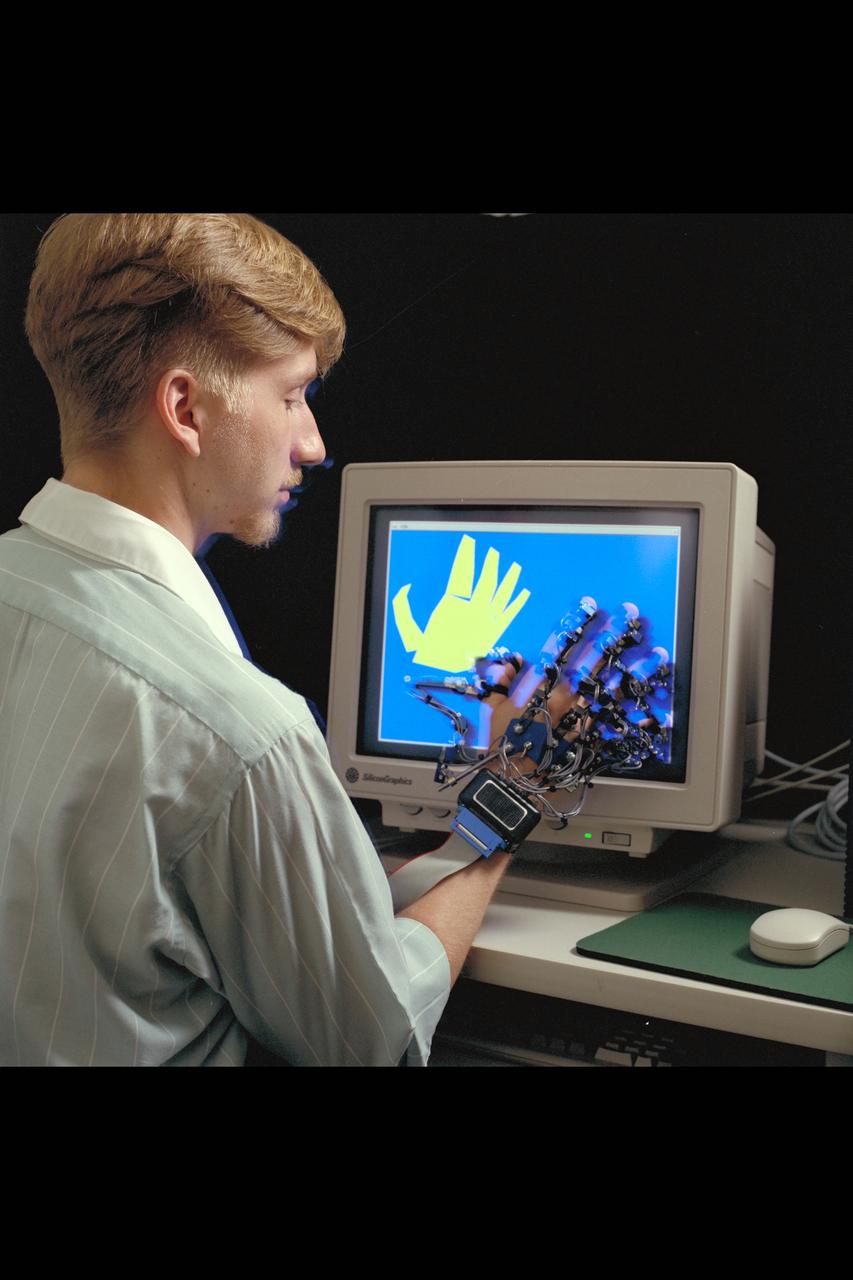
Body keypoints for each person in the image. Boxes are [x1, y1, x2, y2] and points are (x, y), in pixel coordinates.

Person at [0, 213, 516, 1067]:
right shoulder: (236, 731)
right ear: (185, 409)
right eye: (291, 395)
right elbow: (369, 1042)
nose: (312, 443)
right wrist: (505, 807)